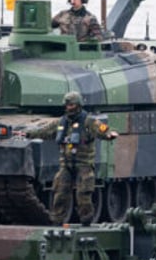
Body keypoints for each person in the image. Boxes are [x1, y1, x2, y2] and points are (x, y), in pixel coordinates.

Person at [25, 91, 118, 225]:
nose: (69, 107)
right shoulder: (61, 122)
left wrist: (109, 135)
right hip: (66, 165)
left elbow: (102, 130)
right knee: (60, 194)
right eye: (67, 104)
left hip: (84, 164)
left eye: (72, 104)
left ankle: (86, 221)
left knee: (83, 196)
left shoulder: (89, 121)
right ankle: (57, 221)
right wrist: (27, 134)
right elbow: (44, 131)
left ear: (78, 105)